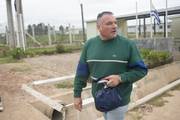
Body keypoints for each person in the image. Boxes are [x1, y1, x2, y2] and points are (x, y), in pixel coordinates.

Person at [73, 11, 148, 120]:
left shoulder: (127, 45)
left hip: (119, 98)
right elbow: (81, 73)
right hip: (99, 97)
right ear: (99, 27)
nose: (114, 26)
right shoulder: (89, 45)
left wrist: (120, 78)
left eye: (115, 23)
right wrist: (77, 95)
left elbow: (141, 70)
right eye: (109, 23)